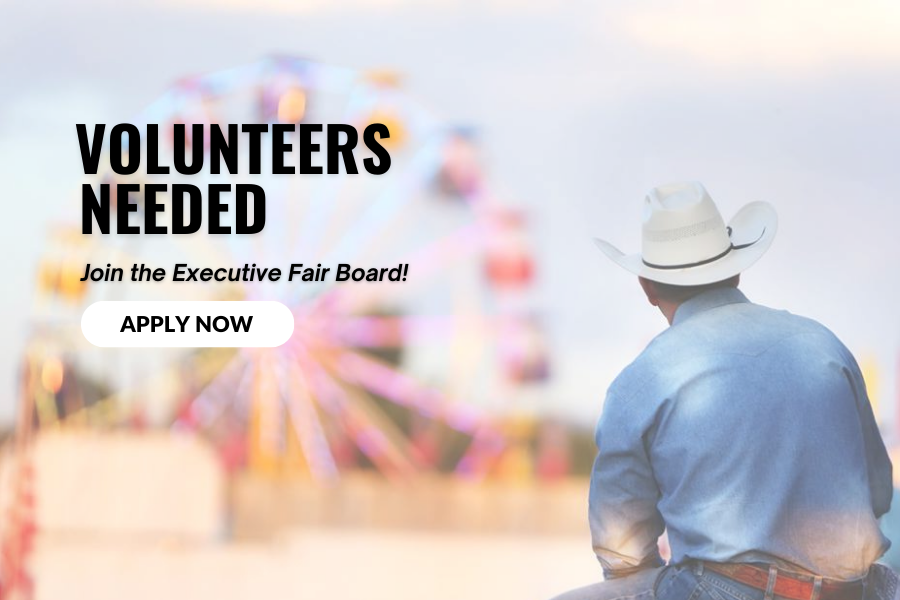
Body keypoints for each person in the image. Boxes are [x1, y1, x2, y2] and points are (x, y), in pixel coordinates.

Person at [551, 182, 897, 600]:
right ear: (736, 270)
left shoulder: (642, 381)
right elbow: (878, 492)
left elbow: (621, 549)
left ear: (647, 287)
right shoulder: (824, 346)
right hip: (856, 591)